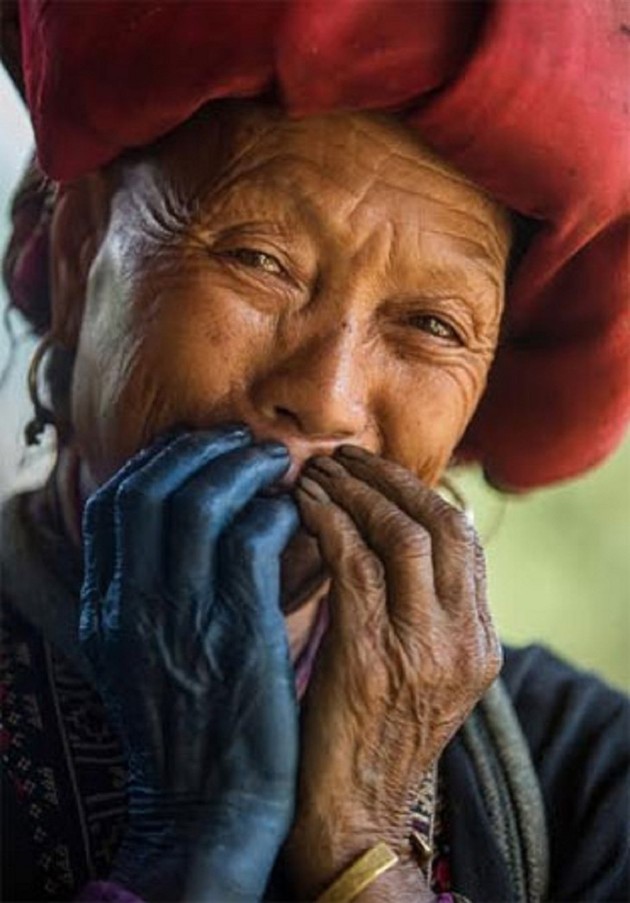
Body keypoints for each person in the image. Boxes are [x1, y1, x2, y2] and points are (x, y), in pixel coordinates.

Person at [1, 2, 628, 902]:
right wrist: (199, 841)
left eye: (432, 325)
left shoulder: (587, 775)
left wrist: (365, 848)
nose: (328, 396)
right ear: (77, 255)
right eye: (260, 260)